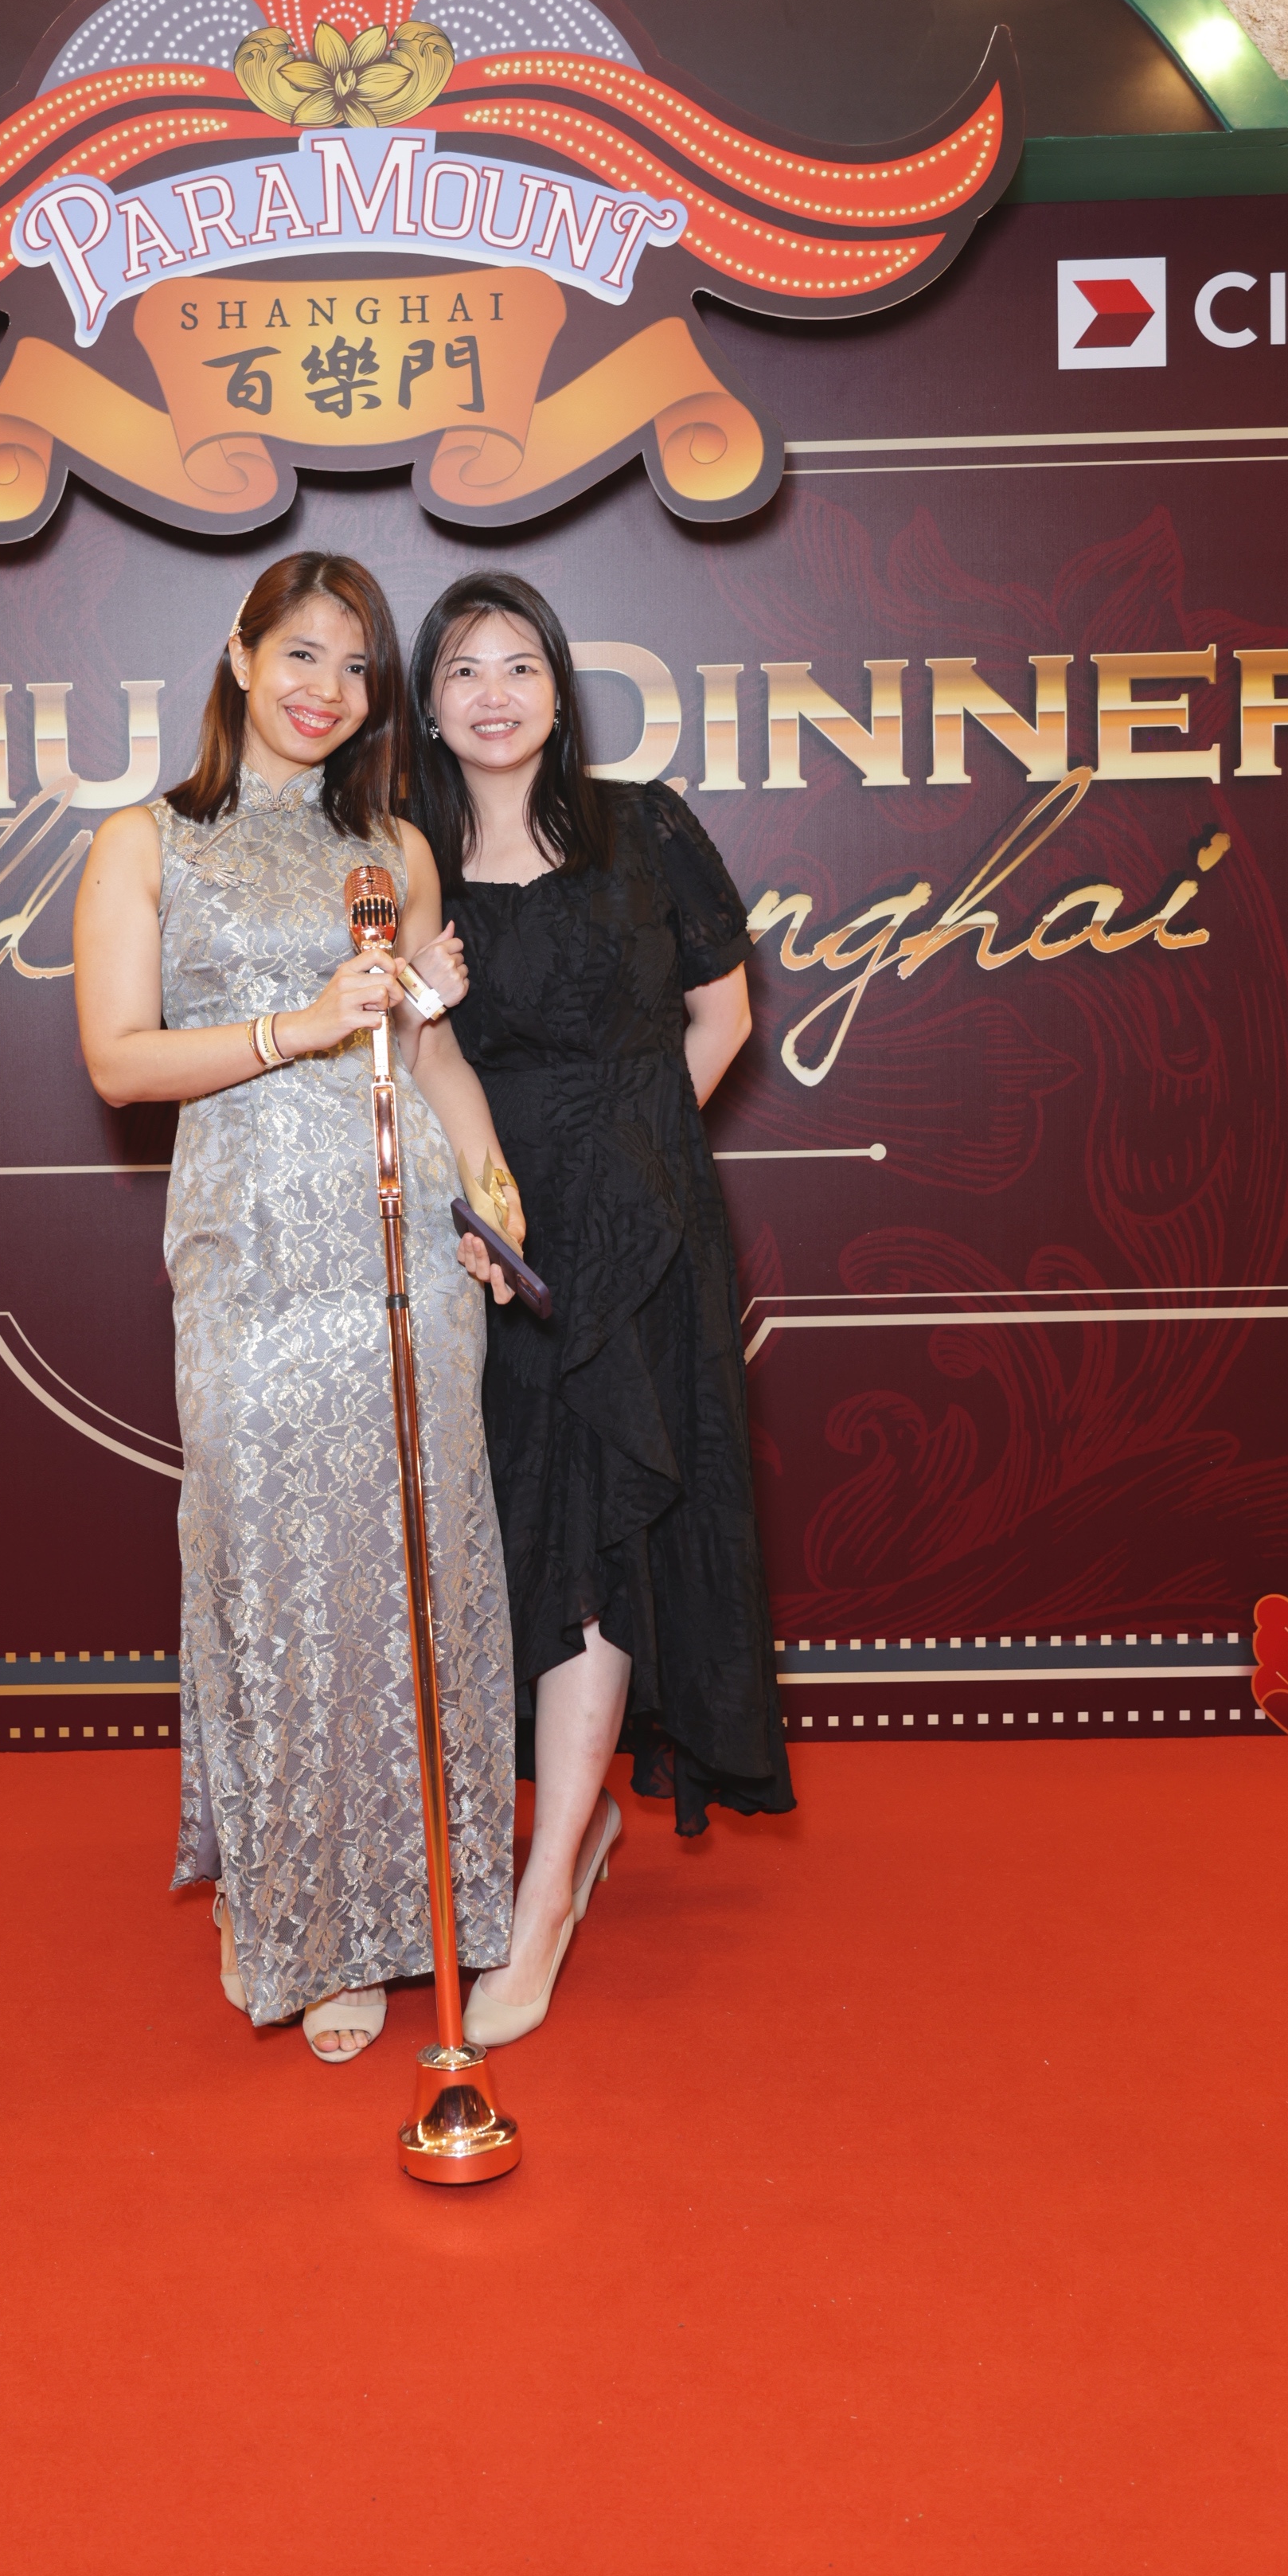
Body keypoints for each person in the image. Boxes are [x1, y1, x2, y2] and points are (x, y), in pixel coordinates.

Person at [73, 550, 523, 2062]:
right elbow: (120, 1060)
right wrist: (301, 1023)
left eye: (354, 664)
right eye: (302, 654)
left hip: (405, 1259)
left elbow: (433, 1053)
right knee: (277, 1571)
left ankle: (416, 1908)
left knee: (413, 1572)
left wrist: (492, 1192)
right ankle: (299, 1913)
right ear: (241, 651)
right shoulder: (148, 841)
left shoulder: (394, 847)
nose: (325, 688)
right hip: (253, 1256)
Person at [408, 569, 795, 2047]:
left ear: (561, 688)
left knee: (602, 1537)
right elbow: (406, 1057)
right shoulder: (410, 861)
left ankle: (547, 1885)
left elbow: (724, 1011)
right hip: (492, 1238)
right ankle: (568, 1828)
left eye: (520, 664)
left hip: (639, 1235)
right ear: (429, 704)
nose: (494, 694)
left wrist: (640, 1167)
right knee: (515, 1541)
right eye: (463, 670)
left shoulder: (646, 827)